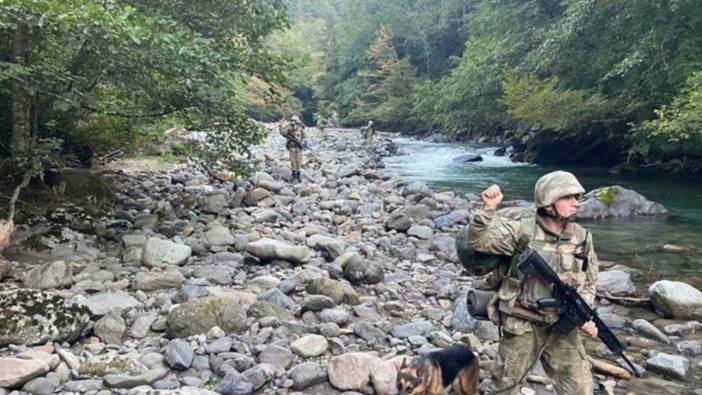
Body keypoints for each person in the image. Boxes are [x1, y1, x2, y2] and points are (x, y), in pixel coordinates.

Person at [464, 170, 598, 395]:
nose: (575, 203)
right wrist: (488, 209)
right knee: (505, 386)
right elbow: (477, 241)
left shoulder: (582, 238)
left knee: (579, 388)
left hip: (562, 325)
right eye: (567, 197)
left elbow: (590, 280)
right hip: (522, 323)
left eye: (576, 197)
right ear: (548, 204)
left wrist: (583, 313)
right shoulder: (522, 231)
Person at [279, 115, 306, 182]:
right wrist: (280, 126)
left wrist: (302, 142)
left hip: (299, 147)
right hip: (292, 146)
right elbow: (283, 133)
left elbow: (304, 137)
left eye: (295, 121)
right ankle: (293, 174)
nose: (293, 122)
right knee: (293, 161)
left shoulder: (300, 129)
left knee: (299, 161)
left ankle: (298, 174)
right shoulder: (289, 128)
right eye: (292, 121)